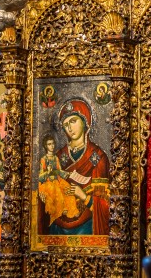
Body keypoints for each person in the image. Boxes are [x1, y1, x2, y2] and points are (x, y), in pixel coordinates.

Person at [43, 99, 111, 236]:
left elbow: (105, 201)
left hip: (87, 223)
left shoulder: (98, 156)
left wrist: (84, 196)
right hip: (59, 222)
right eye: (66, 124)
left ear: (85, 122)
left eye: (73, 121)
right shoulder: (58, 156)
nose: (69, 128)